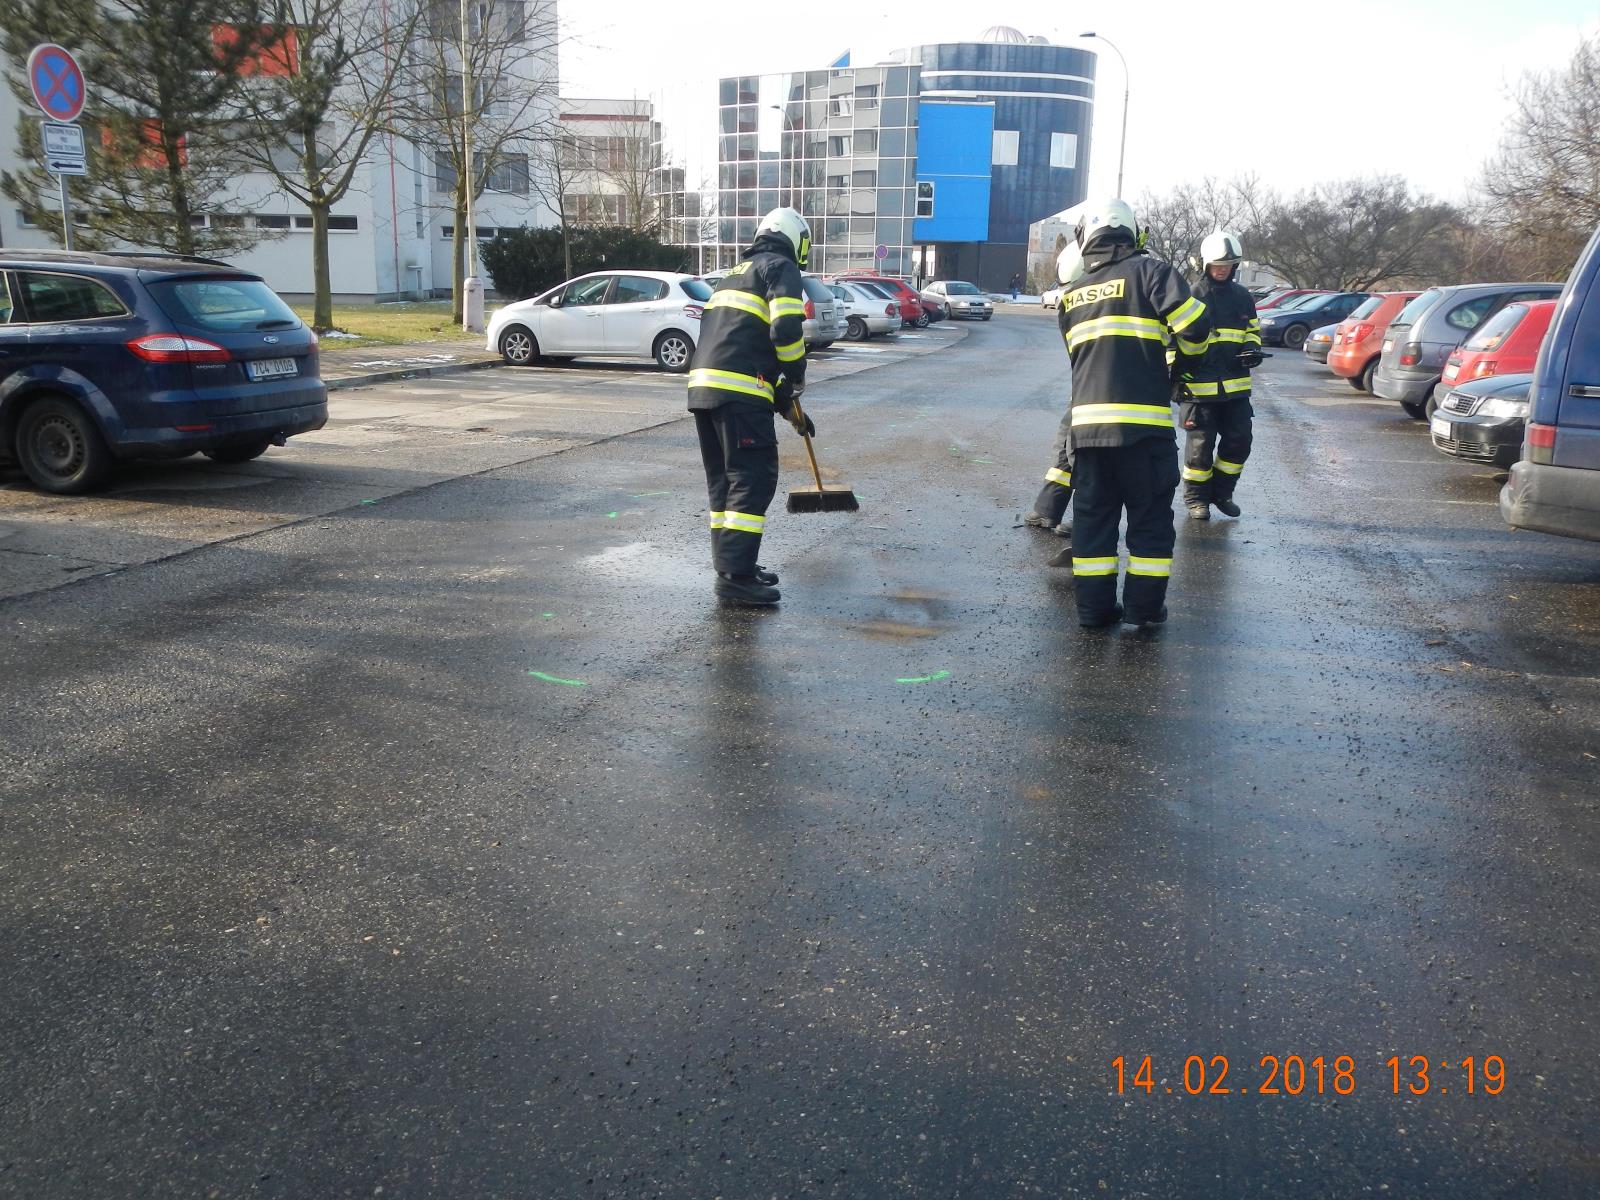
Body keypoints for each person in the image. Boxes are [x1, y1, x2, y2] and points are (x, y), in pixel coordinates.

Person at [1059, 199, 1212, 628]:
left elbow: (1080, 359)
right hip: (1144, 432)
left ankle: (1094, 612)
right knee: (1149, 523)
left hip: (1087, 433)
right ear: (1130, 232)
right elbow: (1196, 329)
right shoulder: (1152, 273)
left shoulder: (1071, 296)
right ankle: (1143, 612)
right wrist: (1183, 366)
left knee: (1093, 523)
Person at [686, 207, 815, 607]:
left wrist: (786, 403)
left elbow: (746, 348)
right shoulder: (780, 267)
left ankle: (732, 567)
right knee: (752, 478)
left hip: (705, 391)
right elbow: (786, 330)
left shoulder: (733, 274)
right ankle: (736, 578)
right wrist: (796, 374)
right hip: (740, 393)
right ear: (795, 239)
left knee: (725, 483)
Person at [1179, 230, 1264, 520]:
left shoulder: (1242, 297)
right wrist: (1177, 378)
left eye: (1228, 265)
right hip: (1198, 389)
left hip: (1235, 388)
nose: (1222, 270)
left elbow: (1252, 330)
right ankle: (1196, 500)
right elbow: (1173, 339)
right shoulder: (1191, 295)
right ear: (1205, 264)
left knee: (1240, 441)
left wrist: (1252, 348)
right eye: (1217, 265)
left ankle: (1222, 493)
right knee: (1199, 450)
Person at [1023, 242, 1087, 539]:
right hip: (1086, 390)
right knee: (1065, 444)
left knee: (1087, 454)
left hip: (1106, 395)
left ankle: (1087, 519)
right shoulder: (1075, 304)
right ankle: (1048, 508)